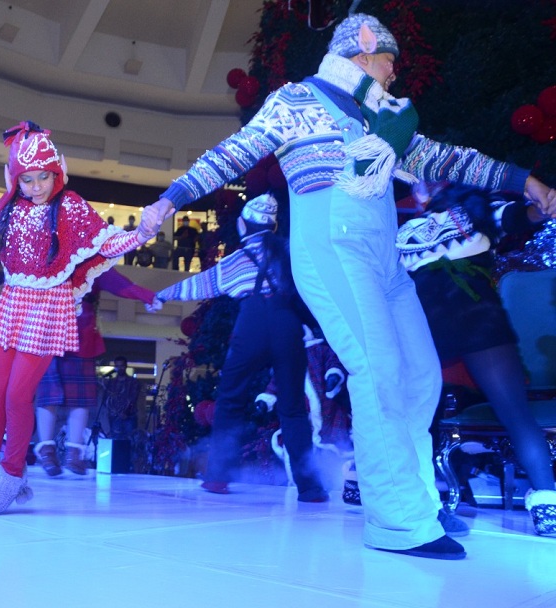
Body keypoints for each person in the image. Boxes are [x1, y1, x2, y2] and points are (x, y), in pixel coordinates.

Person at [149, 12, 556, 559]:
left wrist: (519, 179)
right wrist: (169, 200)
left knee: (420, 377)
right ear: (363, 53)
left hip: (384, 258)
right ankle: (395, 520)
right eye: (390, 61)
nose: (395, 72)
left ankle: (415, 499)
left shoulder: (382, 117)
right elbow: (235, 152)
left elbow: (444, 158)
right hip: (333, 249)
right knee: (379, 368)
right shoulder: (297, 100)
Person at [0, 122, 159, 514]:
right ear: (15, 178)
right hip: (13, 301)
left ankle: (11, 474)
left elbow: (107, 242)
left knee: (18, 394)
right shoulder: (8, 209)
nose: (37, 186)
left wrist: (142, 233)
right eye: (27, 179)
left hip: (49, 307)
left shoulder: (71, 206)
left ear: (57, 172)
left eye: (44, 176)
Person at [397, 182, 556, 536]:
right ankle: (423, 506)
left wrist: (542, 205)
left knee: (514, 414)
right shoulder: (404, 227)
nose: (420, 183)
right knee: (421, 419)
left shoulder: (478, 208)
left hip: (475, 323)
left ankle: (549, 507)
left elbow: (521, 216)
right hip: (429, 328)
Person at [150, 194, 328, 501]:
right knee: (293, 408)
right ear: (273, 226)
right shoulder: (292, 252)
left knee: (230, 400)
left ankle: (218, 477)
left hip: (252, 326)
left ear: (243, 225)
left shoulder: (237, 260)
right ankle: (310, 488)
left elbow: (201, 284)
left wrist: (162, 295)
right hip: (288, 328)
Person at [33, 268, 155, 476]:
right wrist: (147, 296)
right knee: (70, 399)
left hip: (51, 327)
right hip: (73, 330)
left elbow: (115, 281)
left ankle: (51, 454)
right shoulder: (90, 256)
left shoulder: (53, 252)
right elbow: (117, 282)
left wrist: (146, 296)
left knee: (51, 396)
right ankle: (71, 455)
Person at [102, 355, 142, 441]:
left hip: (129, 416)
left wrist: (126, 412)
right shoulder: (111, 382)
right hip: (115, 417)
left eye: (122, 366)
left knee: (130, 440)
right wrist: (114, 411)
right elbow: (106, 399)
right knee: (116, 441)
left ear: (126, 366)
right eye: (117, 366)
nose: (120, 368)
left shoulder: (133, 382)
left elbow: (133, 398)